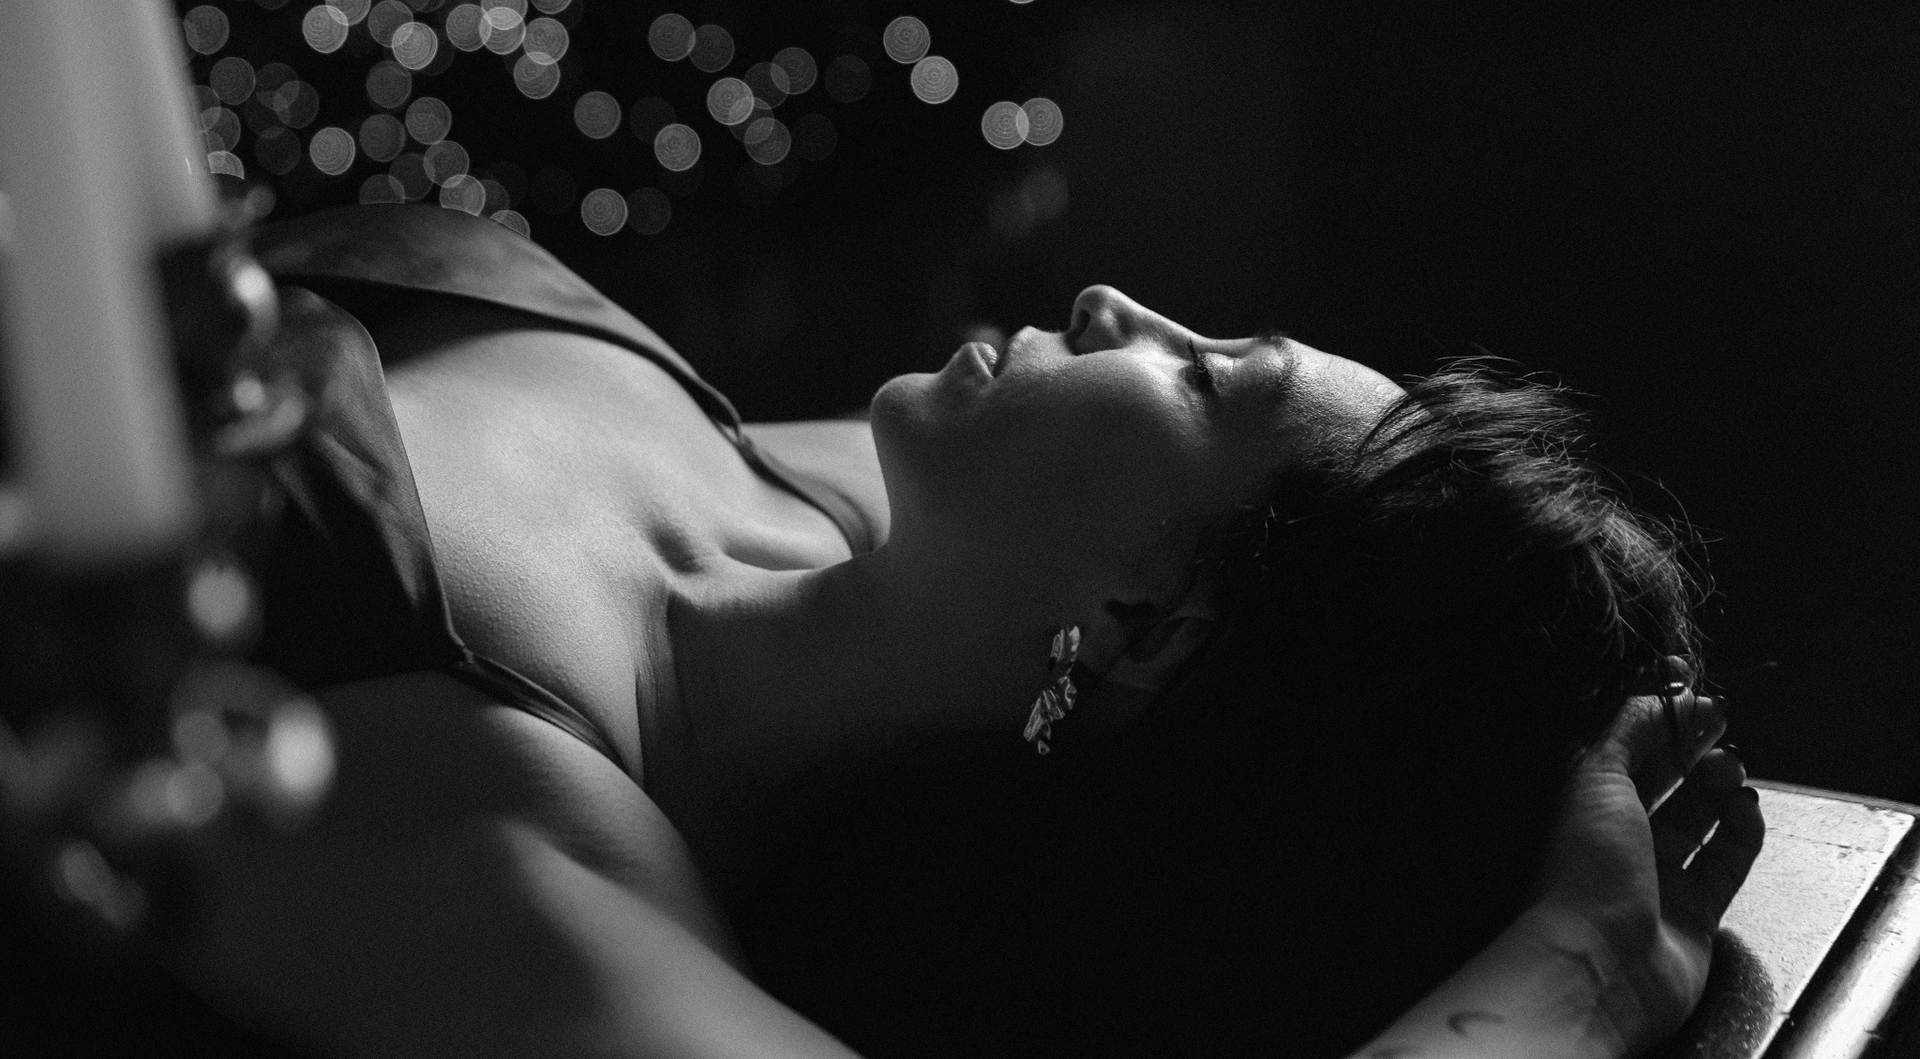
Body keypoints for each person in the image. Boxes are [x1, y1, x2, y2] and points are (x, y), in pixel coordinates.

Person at [162, 202, 1760, 1058]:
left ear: (1145, 630)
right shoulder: (836, 509)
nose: (1123, 308)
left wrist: (1588, 972)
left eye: (1207, 375)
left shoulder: (502, 834)